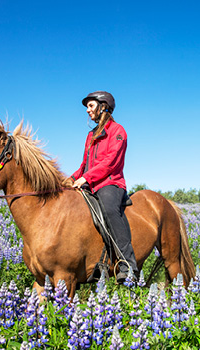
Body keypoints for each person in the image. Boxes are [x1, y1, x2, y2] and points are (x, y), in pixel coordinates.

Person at [67, 91, 137, 283]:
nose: (88, 110)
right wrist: (70, 179)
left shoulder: (118, 130)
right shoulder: (90, 135)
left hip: (110, 183)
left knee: (108, 208)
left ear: (103, 106)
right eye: (87, 107)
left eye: (91, 106)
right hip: (90, 182)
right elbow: (84, 165)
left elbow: (110, 162)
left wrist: (87, 178)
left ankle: (127, 264)